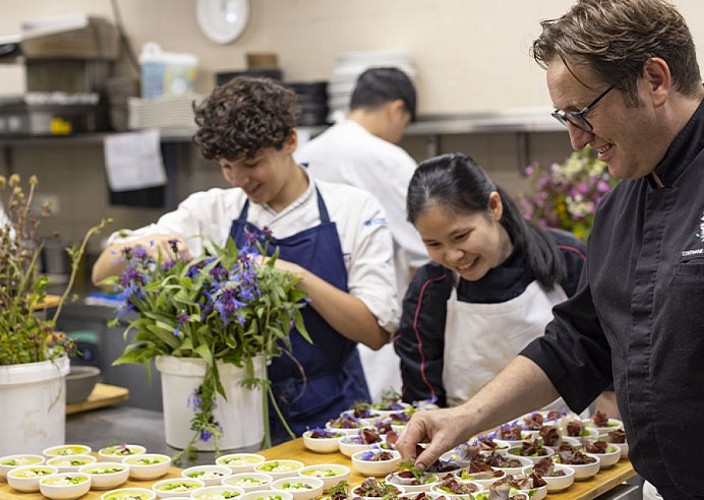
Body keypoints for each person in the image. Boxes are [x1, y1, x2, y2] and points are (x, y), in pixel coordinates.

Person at [396, 0, 704, 497]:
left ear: (655, 80)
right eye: (563, 116)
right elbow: (578, 342)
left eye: (582, 113)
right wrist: (467, 417)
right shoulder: (618, 208)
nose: (574, 139)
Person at [92, 76, 400, 442]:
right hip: (234, 413)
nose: (240, 179)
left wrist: (295, 276)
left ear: (289, 141)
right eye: (227, 166)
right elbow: (102, 272)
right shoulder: (213, 210)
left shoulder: (352, 210)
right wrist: (146, 246)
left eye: (252, 163)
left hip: (333, 416)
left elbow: (376, 332)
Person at [394, 152, 587, 408]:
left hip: (568, 436)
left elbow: (606, 348)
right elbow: (423, 396)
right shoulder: (431, 288)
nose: (452, 256)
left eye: (461, 236)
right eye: (433, 243)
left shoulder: (567, 258)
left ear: (493, 207)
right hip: (464, 441)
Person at [296, 67, 428, 402]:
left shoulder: (306, 153)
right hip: (374, 333)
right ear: (396, 109)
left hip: (310, 336)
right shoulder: (386, 158)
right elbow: (428, 249)